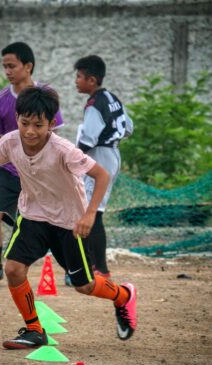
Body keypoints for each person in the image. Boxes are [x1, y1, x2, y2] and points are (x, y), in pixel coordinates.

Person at [0, 86, 137, 348]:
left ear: (51, 124)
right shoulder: (9, 142)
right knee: (13, 269)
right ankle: (34, 330)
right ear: (17, 118)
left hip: (68, 223)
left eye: (38, 125)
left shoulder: (63, 150)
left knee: (84, 285)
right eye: (24, 122)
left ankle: (123, 295)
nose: (30, 131)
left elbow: (101, 175)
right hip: (33, 216)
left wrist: (88, 215)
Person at [0, 42, 63, 286]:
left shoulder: (46, 95)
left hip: (40, 173)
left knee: (53, 223)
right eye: (4, 67)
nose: (7, 71)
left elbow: (57, 136)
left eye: (11, 66)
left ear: (28, 66)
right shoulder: (0, 100)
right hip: (9, 171)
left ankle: (70, 265)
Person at [70, 54, 134, 280]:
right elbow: (128, 128)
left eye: (79, 77)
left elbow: (88, 139)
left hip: (100, 156)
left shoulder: (94, 104)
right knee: (91, 210)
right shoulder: (112, 97)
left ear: (92, 80)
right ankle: (89, 266)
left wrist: (72, 160)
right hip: (113, 153)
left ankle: (98, 269)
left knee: (91, 212)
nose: (76, 81)